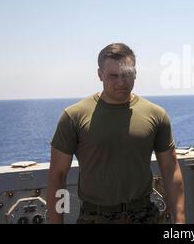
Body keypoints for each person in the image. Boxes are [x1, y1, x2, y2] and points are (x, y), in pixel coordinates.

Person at [46, 43, 185, 224]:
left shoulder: (156, 115)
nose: (121, 82)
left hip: (144, 216)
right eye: (113, 76)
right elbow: (58, 175)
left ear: (135, 73)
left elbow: (170, 169)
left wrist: (180, 220)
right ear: (100, 74)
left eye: (127, 74)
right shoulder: (74, 116)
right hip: (94, 217)